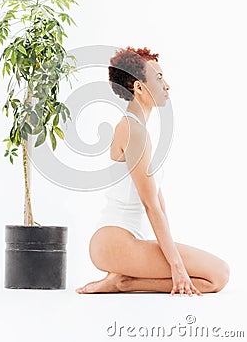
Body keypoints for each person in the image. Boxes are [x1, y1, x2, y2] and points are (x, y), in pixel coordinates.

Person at [76, 46, 230, 295]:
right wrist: (176, 265)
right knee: (218, 275)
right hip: (113, 241)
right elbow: (151, 207)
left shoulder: (139, 131)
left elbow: (159, 205)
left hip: (127, 241)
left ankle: (124, 282)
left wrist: (173, 256)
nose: (166, 85)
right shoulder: (133, 131)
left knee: (215, 278)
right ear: (139, 88)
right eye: (158, 78)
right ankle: (121, 282)